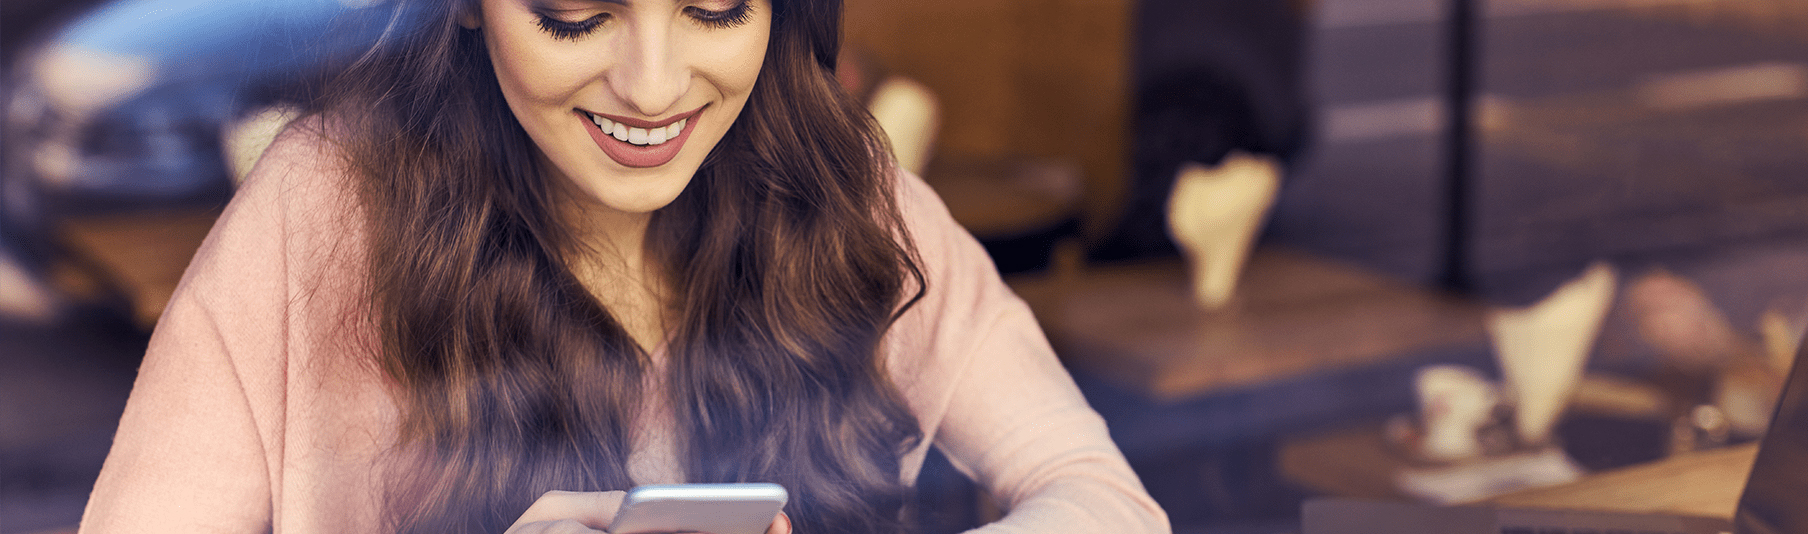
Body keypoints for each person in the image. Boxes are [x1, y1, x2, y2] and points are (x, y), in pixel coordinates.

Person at [77, 0, 1171, 533]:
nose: (653, 89)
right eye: (573, 14)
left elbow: (1103, 500)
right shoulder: (318, 214)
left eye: (712, 9)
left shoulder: (844, 193)